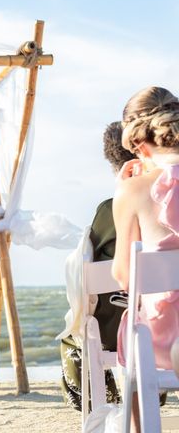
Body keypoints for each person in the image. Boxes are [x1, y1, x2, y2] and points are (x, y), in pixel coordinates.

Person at [113, 87, 179, 430]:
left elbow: (124, 277)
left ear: (139, 144)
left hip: (162, 345)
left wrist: (121, 192)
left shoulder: (133, 189)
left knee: (135, 327)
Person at [58, 121, 135, 410]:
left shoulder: (110, 209)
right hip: (166, 321)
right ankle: (148, 391)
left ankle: (106, 400)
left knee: (72, 336)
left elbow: (92, 264)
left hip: (122, 323)